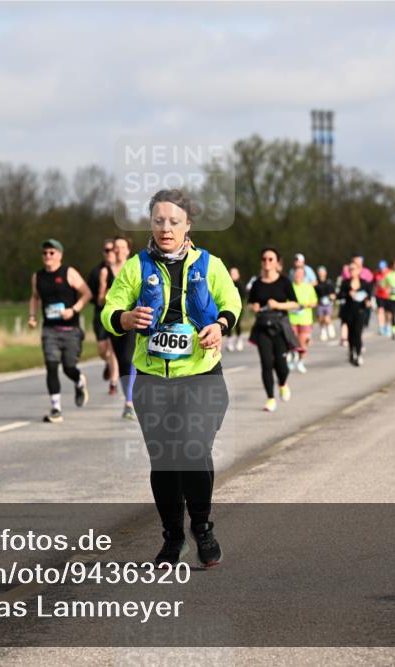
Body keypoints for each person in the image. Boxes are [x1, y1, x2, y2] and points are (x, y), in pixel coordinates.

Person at [101, 189, 240, 568]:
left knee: (193, 450)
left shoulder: (210, 265)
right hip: (151, 380)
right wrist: (125, 319)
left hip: (200, 376)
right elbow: (109, 309)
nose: (166, 228)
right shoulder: (136, 266)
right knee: (164, 461)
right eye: (159, 220)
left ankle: (203, 528)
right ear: (151, 223)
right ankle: (173, 538)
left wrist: (219, 325)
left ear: (188, 225)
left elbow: (231, 302)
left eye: (174, 221)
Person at [28, 239, 92, 423]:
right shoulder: (37, 277)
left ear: (60, 255)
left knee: (68, 367)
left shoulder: (69, 273)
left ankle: (79, 380)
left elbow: (87, 293)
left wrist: (74, 310)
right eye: (45, 253)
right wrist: (32, 316)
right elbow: (34, 298)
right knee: (51, 366)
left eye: (52, 252)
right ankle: (56, 408)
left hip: (71, 329)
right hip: (50, 329)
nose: (48, 256)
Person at [248, 247, 300, 412]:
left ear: (277, 262)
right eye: (264, 259)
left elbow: (295, 303)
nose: (267, 262)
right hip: (263, 327)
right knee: (266, 363)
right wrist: (254, 306)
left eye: (270, 259)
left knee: (281, 364)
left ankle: (283, 383)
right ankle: (270, 398)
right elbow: (251, 303)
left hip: (280, 326)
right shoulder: (257, 283)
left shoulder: (284, 281)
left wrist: (278, 305)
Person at [102, 235, 137, 419]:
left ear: (128, 250)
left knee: (129, 358)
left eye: (122, 247)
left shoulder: (134, 267)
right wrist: (108, 294)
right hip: (115, 321)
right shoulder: (106, 271)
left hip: (133, 319)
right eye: (116, 246)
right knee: (122, 361)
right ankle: (128, 398)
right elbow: (100, 300)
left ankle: (129, 402)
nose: (118, 250)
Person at [87, 240, 117, 394]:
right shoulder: (97, 272)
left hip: (118, 314)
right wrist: (105, 292)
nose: (110, 252)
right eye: (107, 250)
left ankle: (113, 383)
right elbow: (95, 299)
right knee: (102, 350)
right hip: (101, 312)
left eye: (113, 249)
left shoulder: (126, 268)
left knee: (113, 349)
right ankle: (108, 364)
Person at [338, 262, 372, 366]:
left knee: (358, 333)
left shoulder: (364, 283)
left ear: (358, 270)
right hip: (349, 312)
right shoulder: (345, 283)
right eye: (350, 269)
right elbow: (339, 295)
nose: (352, 271)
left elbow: (369, 297)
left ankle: (358, 353)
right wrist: (347, 293)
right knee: (351, 334)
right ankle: (352, 351)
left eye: (354, 269)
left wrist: (368, 301)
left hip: (360, 312)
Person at [289, 265, 318, 373]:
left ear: (304, 276)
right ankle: (292, 356)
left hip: (305, 319)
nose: (298, 276)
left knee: (302, 343)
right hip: (292, 318)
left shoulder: (308, 287)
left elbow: (315, 301)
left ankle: (300, 362)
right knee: (292, 341)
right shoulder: (290, 286)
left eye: (300, 274)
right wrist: (293, 306)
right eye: (296, 274)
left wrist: (306, 305)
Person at [225, 266, 246, 351]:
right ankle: (229, 341)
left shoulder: (240, 284)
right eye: (231, 273)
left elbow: (244, 295)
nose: (232, 275)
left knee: (237, 323)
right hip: (228, 306)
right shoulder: (227, 284)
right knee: (228, 323)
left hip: (238, 307)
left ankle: (239, 340)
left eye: (234, 273)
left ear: (238, 274)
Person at [314, 266, 336, 342]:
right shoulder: (316, 283)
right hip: (319, 303)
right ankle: (323, 330)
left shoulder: (329, 282)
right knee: (321, 318)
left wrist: (332, 296)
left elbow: (333, 292)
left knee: (327, 318)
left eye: (322, 273)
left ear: (325, 273)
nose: (321, 274)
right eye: (320, 273)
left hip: (328, 303)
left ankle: (330, 326)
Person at [373, 260, 391, 337]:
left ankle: (388, 325)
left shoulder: (390, 273)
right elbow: (373, 283)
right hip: (379, 295)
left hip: (388, 296)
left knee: (388, 312)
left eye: (383, 268)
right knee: (380, 311)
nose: (382, 270)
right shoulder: (376, 273)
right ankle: (381, 327)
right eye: (380, 268)